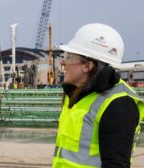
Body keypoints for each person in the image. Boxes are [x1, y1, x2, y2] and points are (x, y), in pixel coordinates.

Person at [52, 23, 144, 168]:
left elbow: (116, 164)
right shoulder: (77, 95)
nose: (63, 62)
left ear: (87, 66)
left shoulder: (119, 104)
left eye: (69, 58)